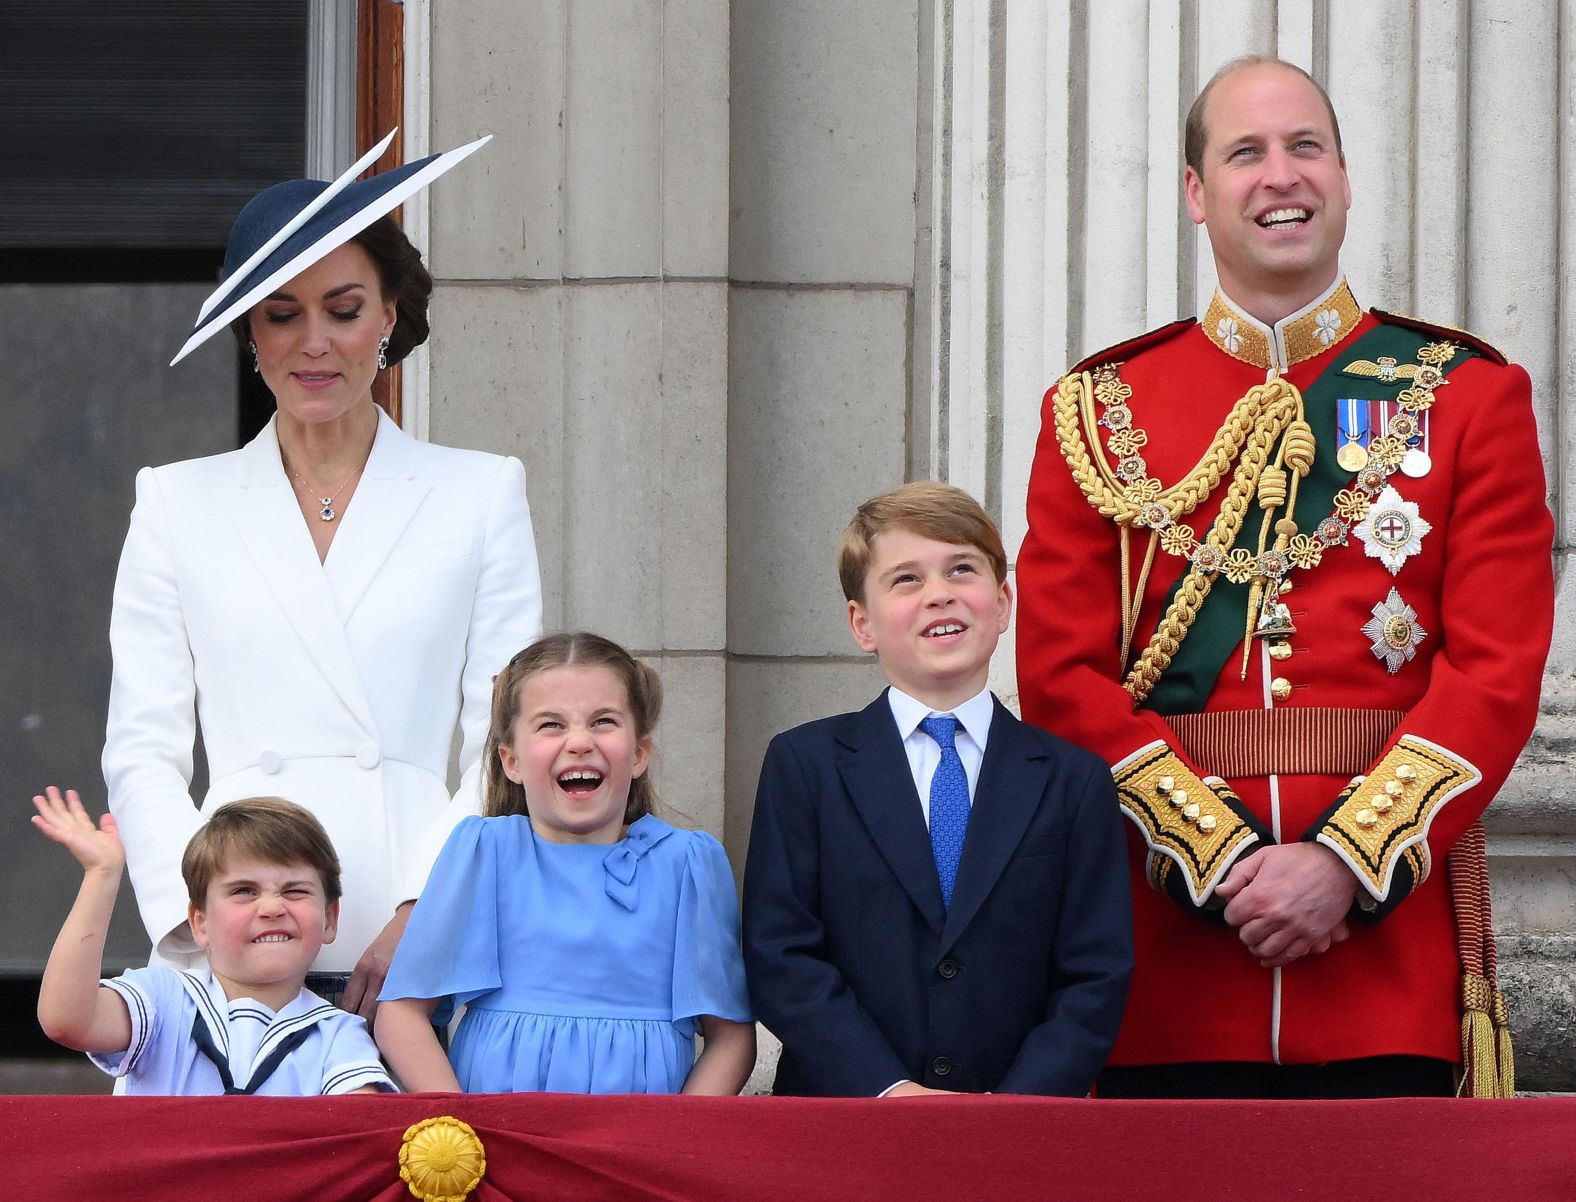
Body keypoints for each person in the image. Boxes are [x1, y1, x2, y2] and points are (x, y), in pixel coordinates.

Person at [1017, 57, 1554, 1098]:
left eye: (1305, 146)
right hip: (1167, 972)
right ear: (1193, 192)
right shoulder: (1097, 409)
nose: (1280, 176)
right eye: (1245, 152)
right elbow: (1060, 679)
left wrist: (1344, 864)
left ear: (1344, 177)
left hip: (1381, 966)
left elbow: (1493, 674)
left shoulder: (1467, 397)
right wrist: (1218, 861)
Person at [101, 131, 543, 1019]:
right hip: (227, 938)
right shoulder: (175, 503)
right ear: (246, 328)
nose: (314, 344)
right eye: (281, 312)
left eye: (342, 309)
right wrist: (202, 919)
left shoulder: (480, 491)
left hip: (411, 935)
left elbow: (509, 738)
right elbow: (141, 751)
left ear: (387, 316)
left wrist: (428, 907)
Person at [743, 481, 1132, 1097]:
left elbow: (1095, 973)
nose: (940, 595)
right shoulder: (806, 765)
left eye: (961, 570)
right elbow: (780, 953)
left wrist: (1012, 1109)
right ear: (862, 623)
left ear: (1003, 604)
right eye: (906, 580)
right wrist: (888, 1090)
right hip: (845, 1120)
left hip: (1015, 1132)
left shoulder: (1072, 779)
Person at [376, 632, 756, 1094]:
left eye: (603, 721)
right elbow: (401, 1013)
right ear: (511, 760)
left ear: (638, 754)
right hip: (500, 1141)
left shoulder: (688, 865)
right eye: (551, 725)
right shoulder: (484, 852)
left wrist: (675, 1143)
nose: (579, 741)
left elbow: (730, 1037)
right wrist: (461, 1125)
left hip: (636, 1147)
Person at [32, 788, 393, 1095]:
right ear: (199, 923)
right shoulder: (163, 1000)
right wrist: (102, 874)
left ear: (329, 919)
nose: (271, 907)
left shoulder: (339, 1035)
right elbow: (67, 1020)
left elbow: (356, 1137)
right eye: (243, 891)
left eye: (294, 890)